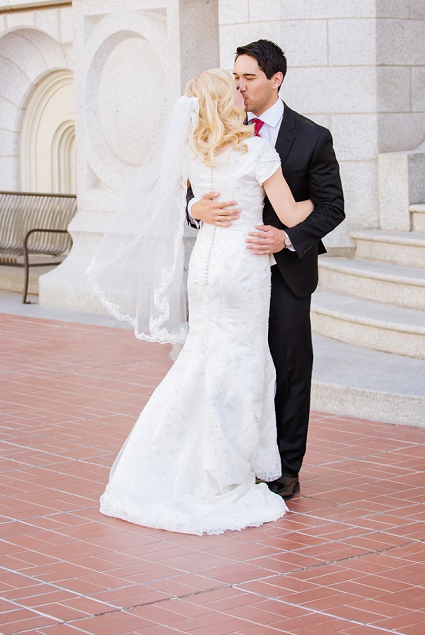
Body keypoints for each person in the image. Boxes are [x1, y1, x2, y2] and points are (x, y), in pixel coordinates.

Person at [87, 69, 314, 535]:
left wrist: (194, 208)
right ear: (222, 100)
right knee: (242, 363)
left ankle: (165, 462)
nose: (240, 89)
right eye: (233, 86)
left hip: (206, 269)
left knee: (204, 358)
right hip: (244, 265)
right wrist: (313, 205)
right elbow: (290, 214)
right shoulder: (255, 150)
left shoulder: (193, 152)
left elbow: (163, 200)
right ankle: (222, 471)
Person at [189, 40, 345, 500]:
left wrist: (287, 238)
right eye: (235, 77)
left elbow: (333, 207)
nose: (239, 84)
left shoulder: (312, 136)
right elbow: (190, 196)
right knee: (230, 365)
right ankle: (235, 456)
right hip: (231, 272)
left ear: (276, 79)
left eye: (249, 77)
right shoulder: (211, 135)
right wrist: (197, 208)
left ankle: (284, 467)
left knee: (289, 368)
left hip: (287, 272)